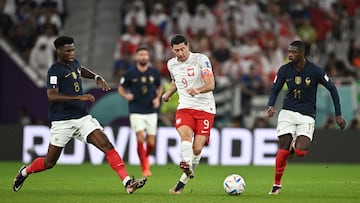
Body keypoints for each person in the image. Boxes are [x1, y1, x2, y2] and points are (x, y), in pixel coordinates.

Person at [12, 36, 147, 194]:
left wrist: (96, 77)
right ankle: (24, 172)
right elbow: (52, 96)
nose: (72, 53)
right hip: (62, 121)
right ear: (59, 51)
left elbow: (80, 70)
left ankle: (127, 183)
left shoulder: (74, 63)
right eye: (68, 50)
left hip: (82, 117)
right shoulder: (54, 71)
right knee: (49, 163)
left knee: (107, 145)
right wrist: (78, 97)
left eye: (73, 49)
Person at [266, 40, 346, 195]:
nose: (290, 55)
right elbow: (275, 89)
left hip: (307, 115)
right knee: (283, 147)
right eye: (289, 51)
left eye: (293, 52)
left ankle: (294, 146)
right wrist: (271, 106)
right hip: (287, 112)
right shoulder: (284, 70)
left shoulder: (315, 71)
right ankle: (276, 185)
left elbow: (332, 89)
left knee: (300, 152)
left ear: (302, 53)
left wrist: (338, 114)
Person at [162, 34, 216, 194]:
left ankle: (182, 182)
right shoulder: (171, 64)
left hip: (205, 109)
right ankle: (186, 163)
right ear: (172, 50)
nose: (180, 53)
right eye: (176, 50)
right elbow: (176, 81)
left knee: (197, 149)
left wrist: (197, 90)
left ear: (188, 46)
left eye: (182, 49)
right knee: (185, 136)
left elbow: (211, 84)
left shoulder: (201, 59)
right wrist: (168, 94)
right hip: (185, 107)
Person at [118, 47, 162, 177]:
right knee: (140, 138)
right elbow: (121, 88)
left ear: (148, 57)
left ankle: (145, 157)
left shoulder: (154, 72)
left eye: (145, 54)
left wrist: (157, 98)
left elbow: (159, 87)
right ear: (136, 57)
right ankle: (145, 167)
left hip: (151, 111)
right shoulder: (130, 73)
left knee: (151, 143)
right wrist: (126, 96)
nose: (143, 57)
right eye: (141, 54)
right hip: (136, 111)